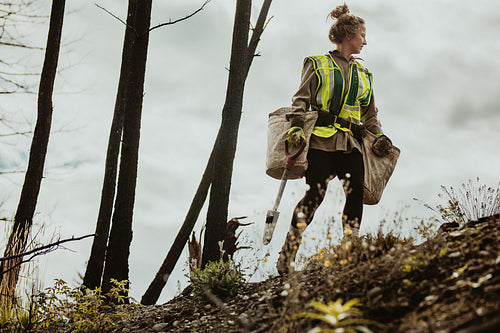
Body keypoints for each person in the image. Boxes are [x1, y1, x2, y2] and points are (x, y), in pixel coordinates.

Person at [277, 3, 393, 275]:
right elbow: (300, 100)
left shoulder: (365, 74)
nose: (366, 41)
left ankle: (349, 249)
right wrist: (295, 126)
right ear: (349, 35)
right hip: (321, 141)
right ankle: (287, 255)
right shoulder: (317, 64)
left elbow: (370, 115)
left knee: (354, 196)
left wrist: (379, 136)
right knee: (314, 195)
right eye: (362, 35)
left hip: (352, 144)